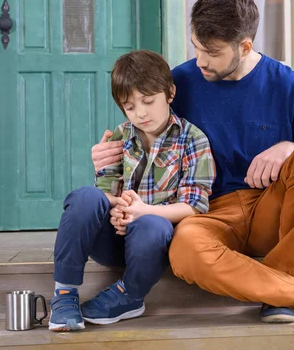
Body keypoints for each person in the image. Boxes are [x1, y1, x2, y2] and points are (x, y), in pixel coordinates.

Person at [91, 0, 294, 323]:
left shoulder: (287, 84)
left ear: (245, 46)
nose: (200, 60)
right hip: (206, 216)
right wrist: (109, 156)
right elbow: (139, 132)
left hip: (271, 213)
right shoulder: (181, 82)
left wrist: (290, 149)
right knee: (185, 252)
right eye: (196, 47)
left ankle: (283, 274)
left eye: (212, 52)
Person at [49, 50, 216, 331]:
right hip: (113, 240)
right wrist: (118, 208)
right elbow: (105, 191)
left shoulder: (193, 140)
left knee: (152, 224)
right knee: (86, 197)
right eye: (130, 106)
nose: (141, 113)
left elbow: (195, 205)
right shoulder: (120, 137)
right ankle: (64, 293)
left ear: (170, 93)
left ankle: (130, 295)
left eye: (149, 101)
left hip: (152, 245)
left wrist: (142, 211)